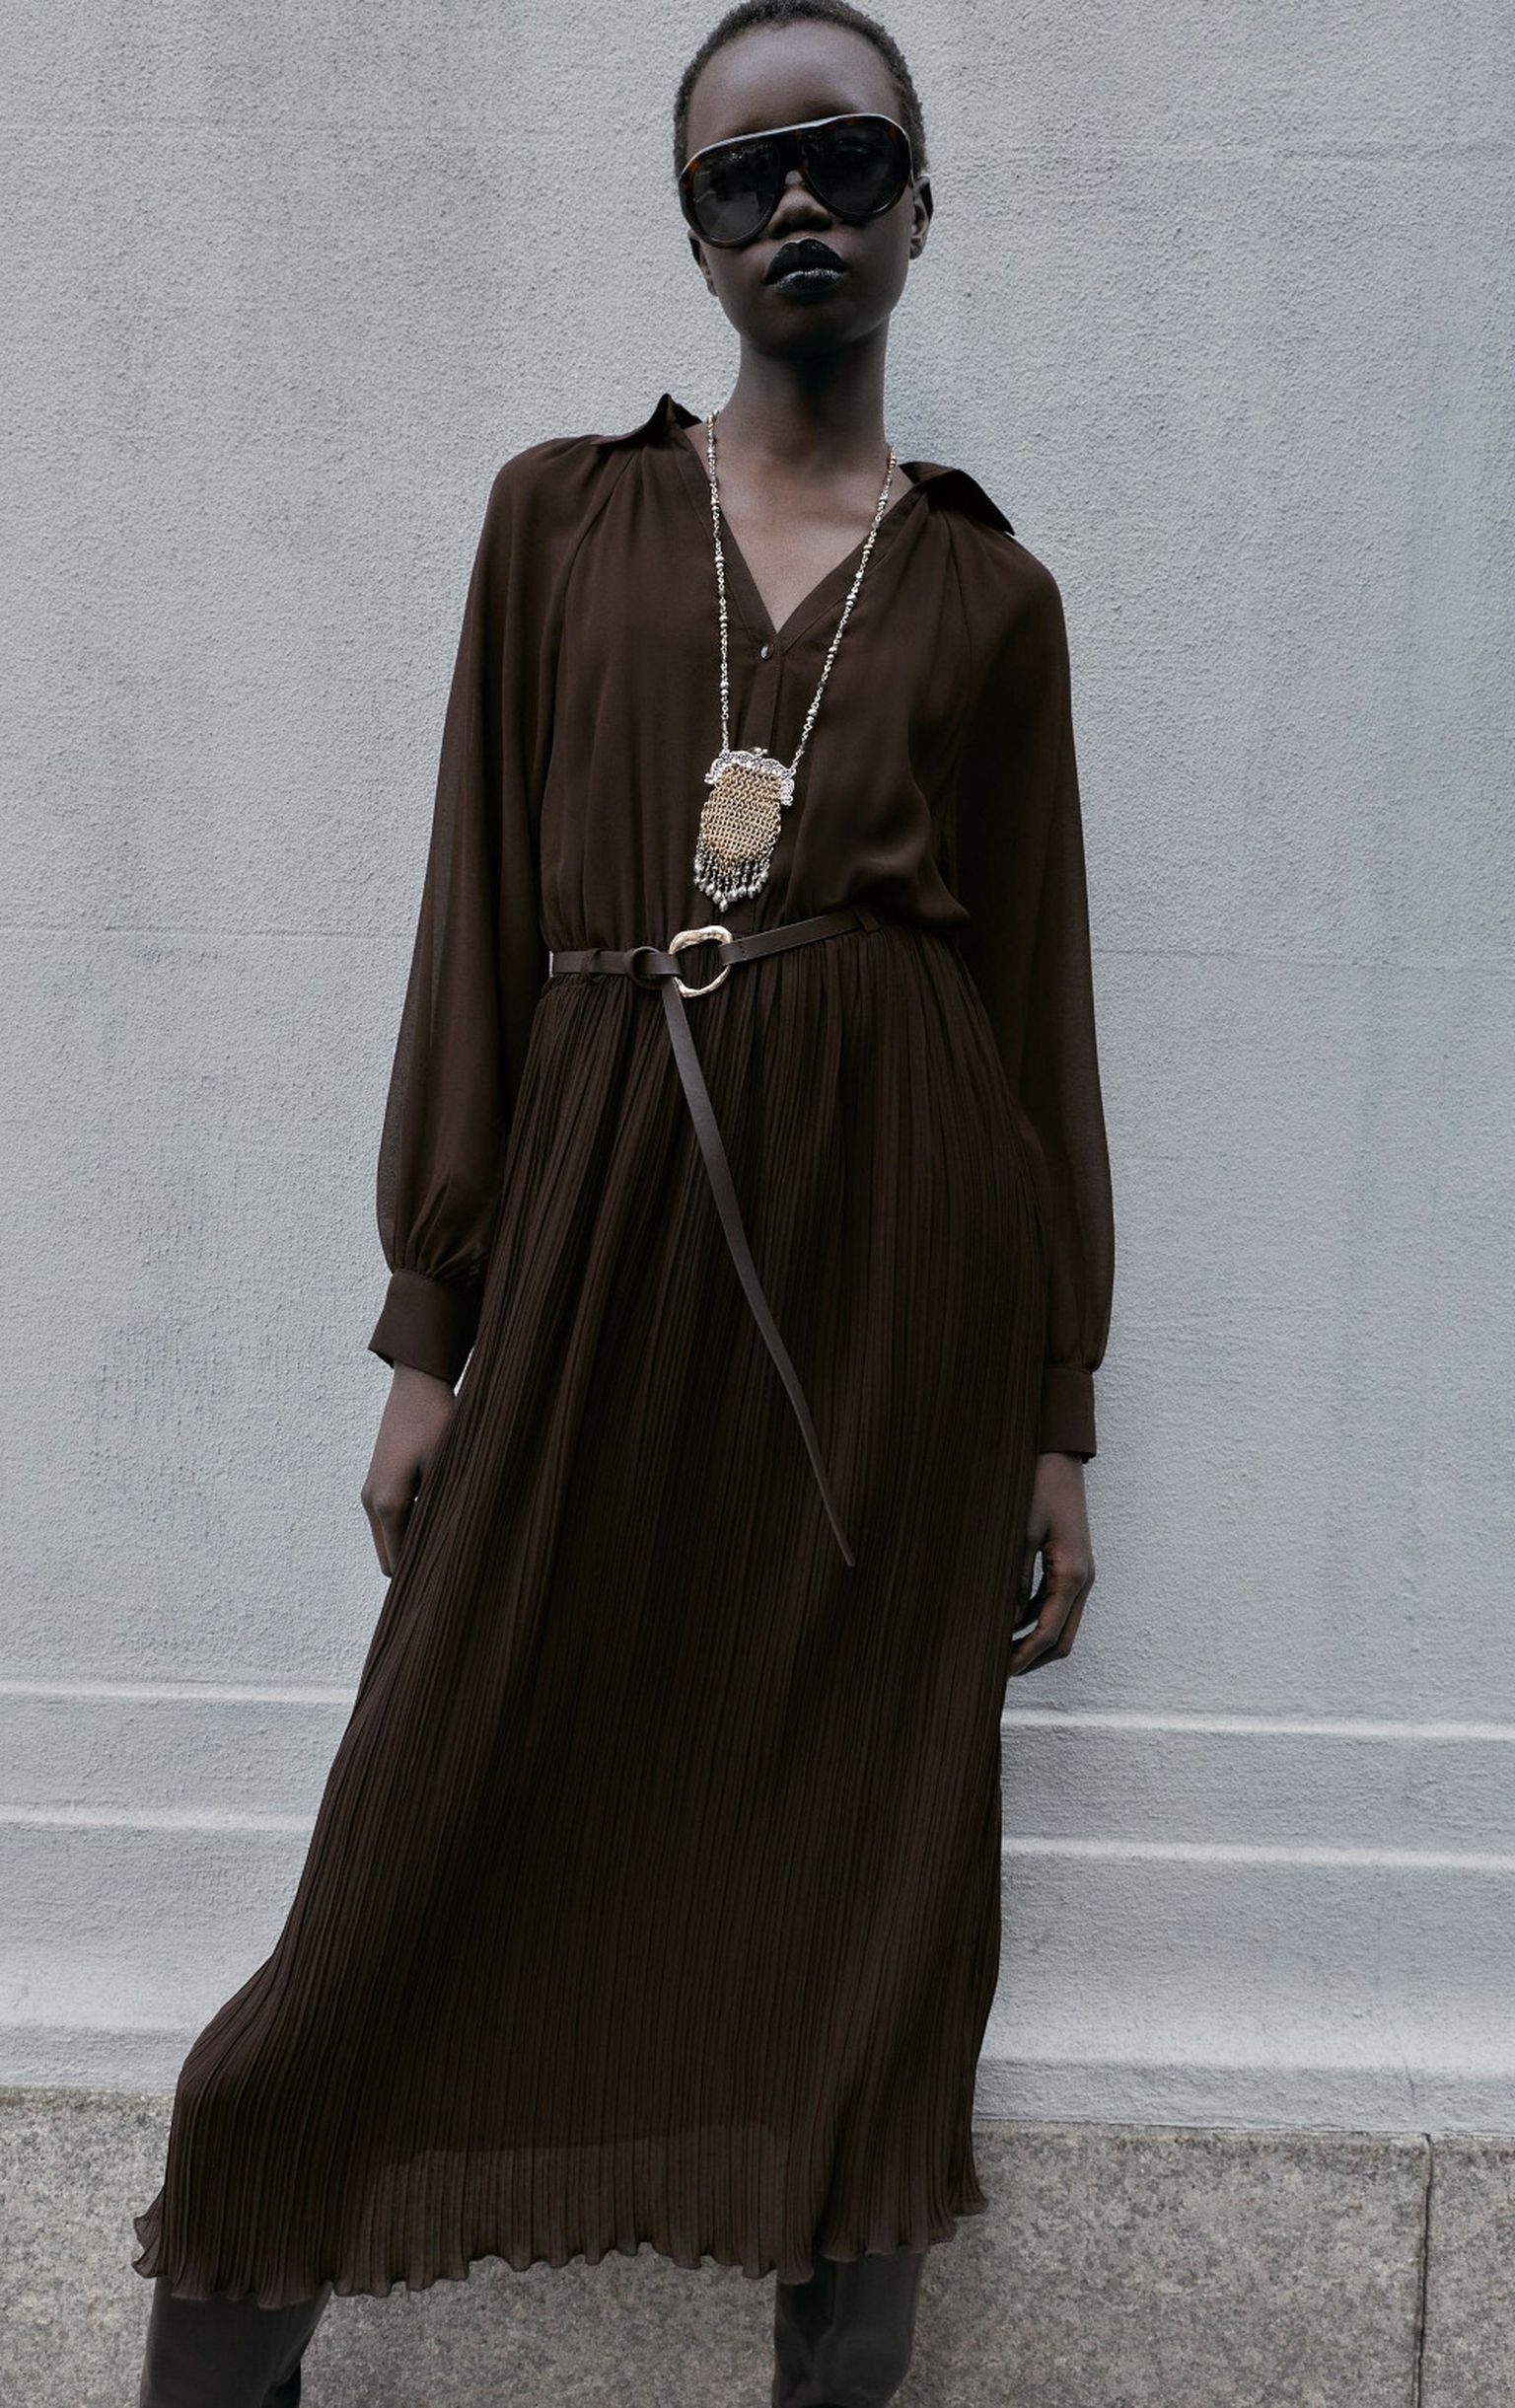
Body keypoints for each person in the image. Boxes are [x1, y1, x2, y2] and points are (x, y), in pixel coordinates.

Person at [131, 3, 1115, 2400]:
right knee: (403, 1867)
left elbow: (1036, 1019)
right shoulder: (558, 519)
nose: (799, 206)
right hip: (590, 1235)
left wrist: (1050, 1413)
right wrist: (428, 1324)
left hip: (899, 1302)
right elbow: (474, 917)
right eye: (740, 176)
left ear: (920, 202)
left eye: (846, 157)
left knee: (868, 1904)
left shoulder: (993, 599)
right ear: (689, 233)